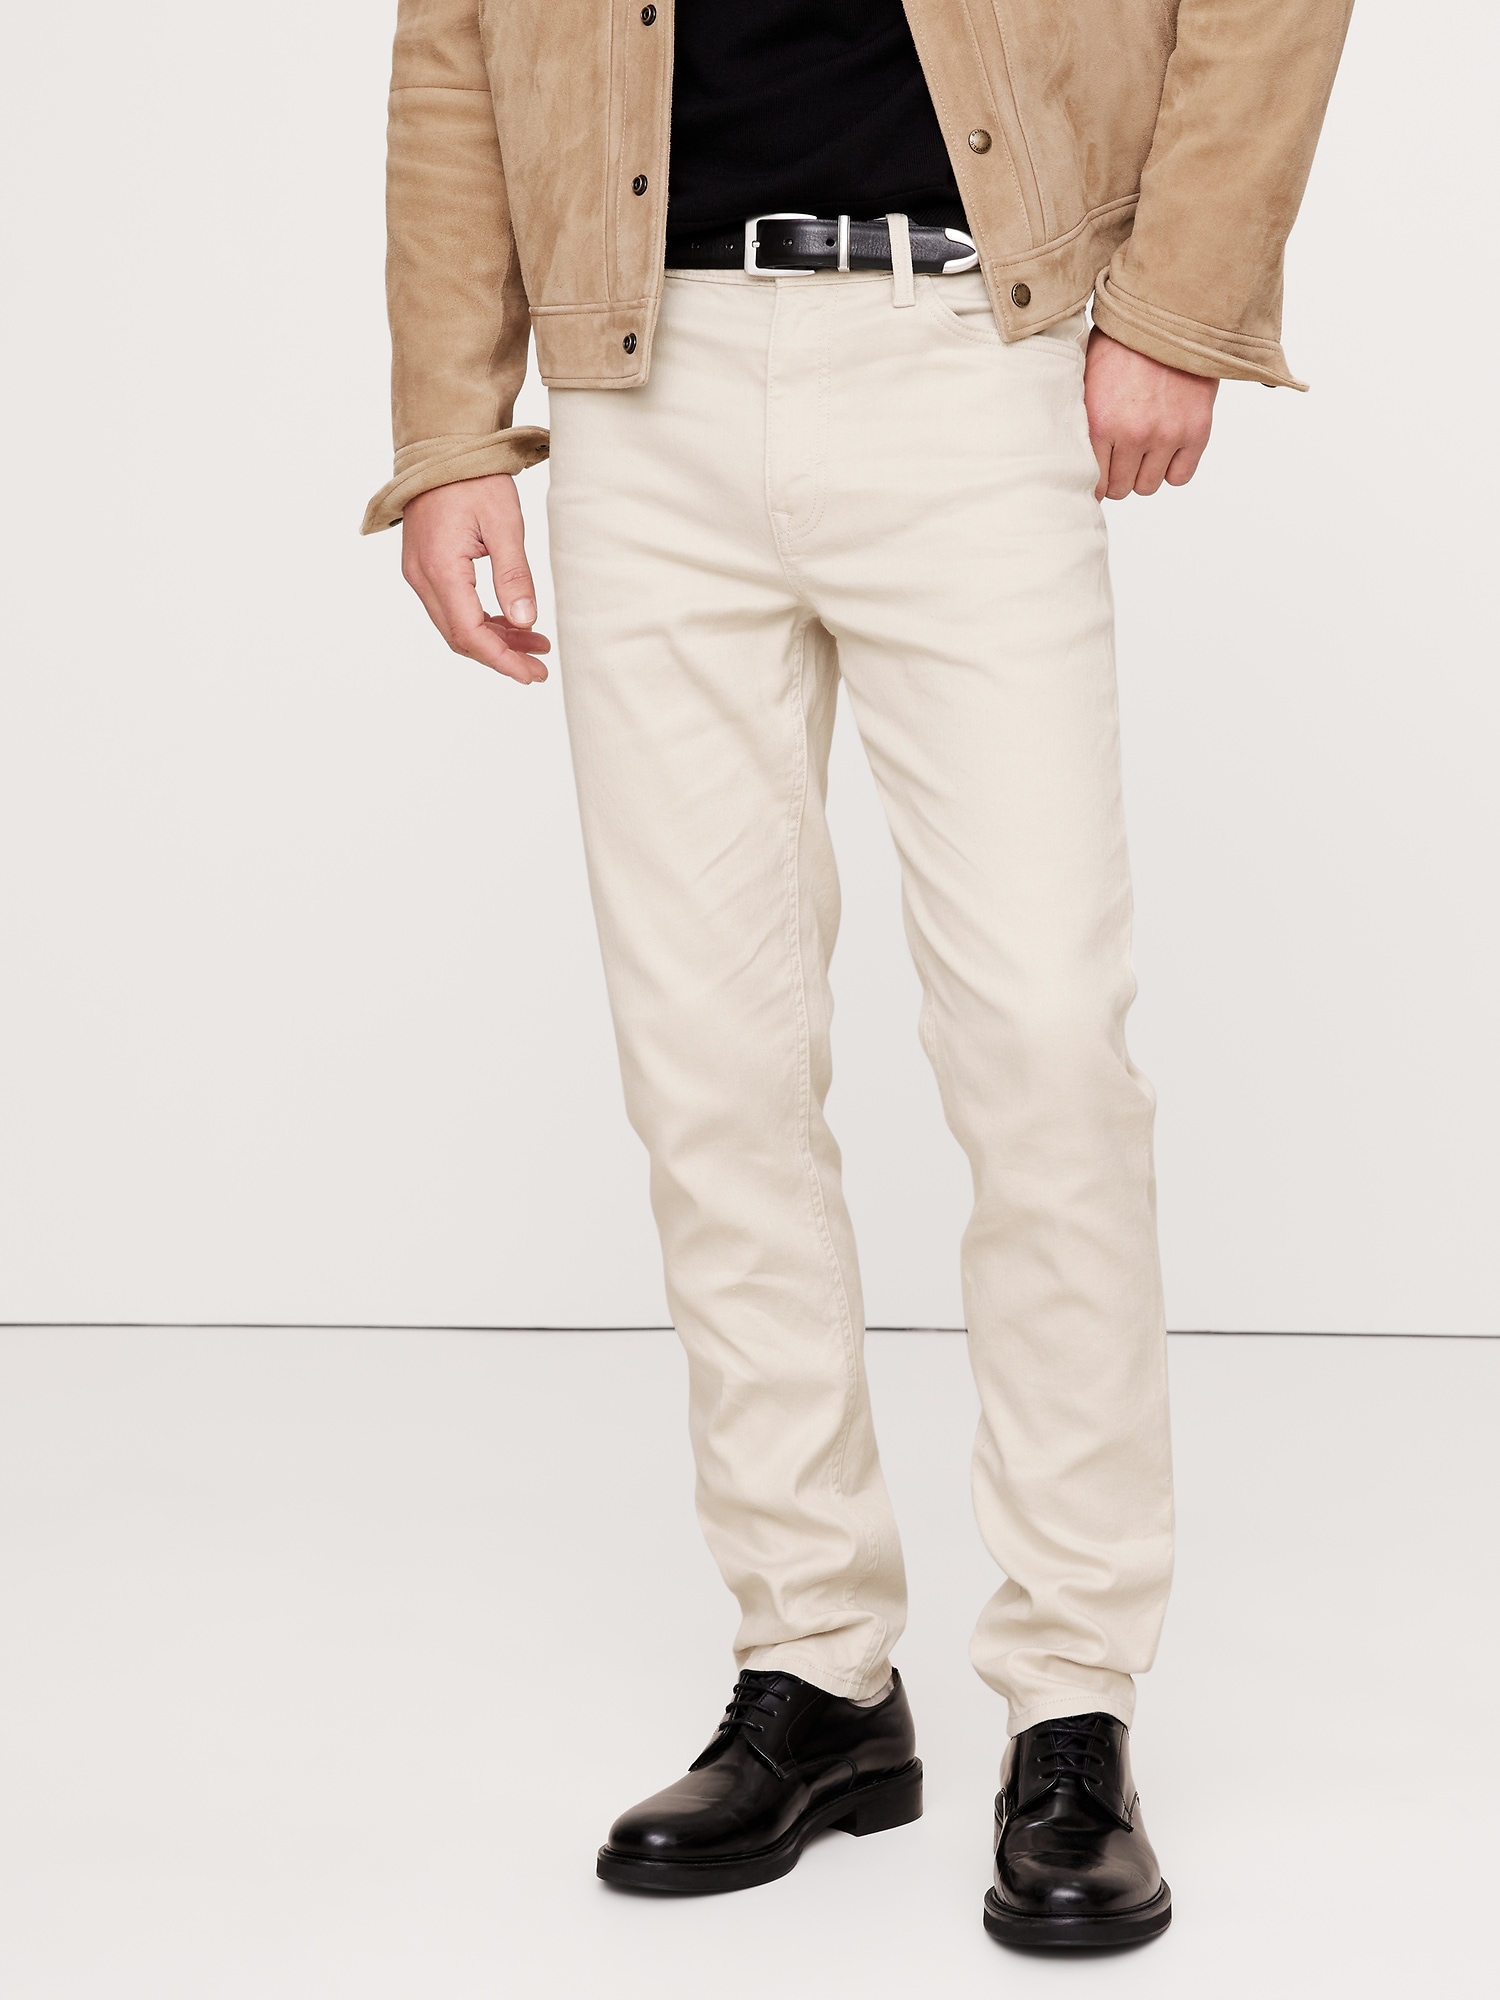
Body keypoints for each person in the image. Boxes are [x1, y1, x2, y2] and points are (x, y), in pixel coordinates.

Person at [364, 0, 1352, 1950]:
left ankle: (1073, 1700)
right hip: (640, 377)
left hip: (969, 349)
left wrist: (1179, 302)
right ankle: (814, 1665)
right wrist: (447, 432)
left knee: (1045, 1046)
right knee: (710, 1061)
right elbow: (456, 42)